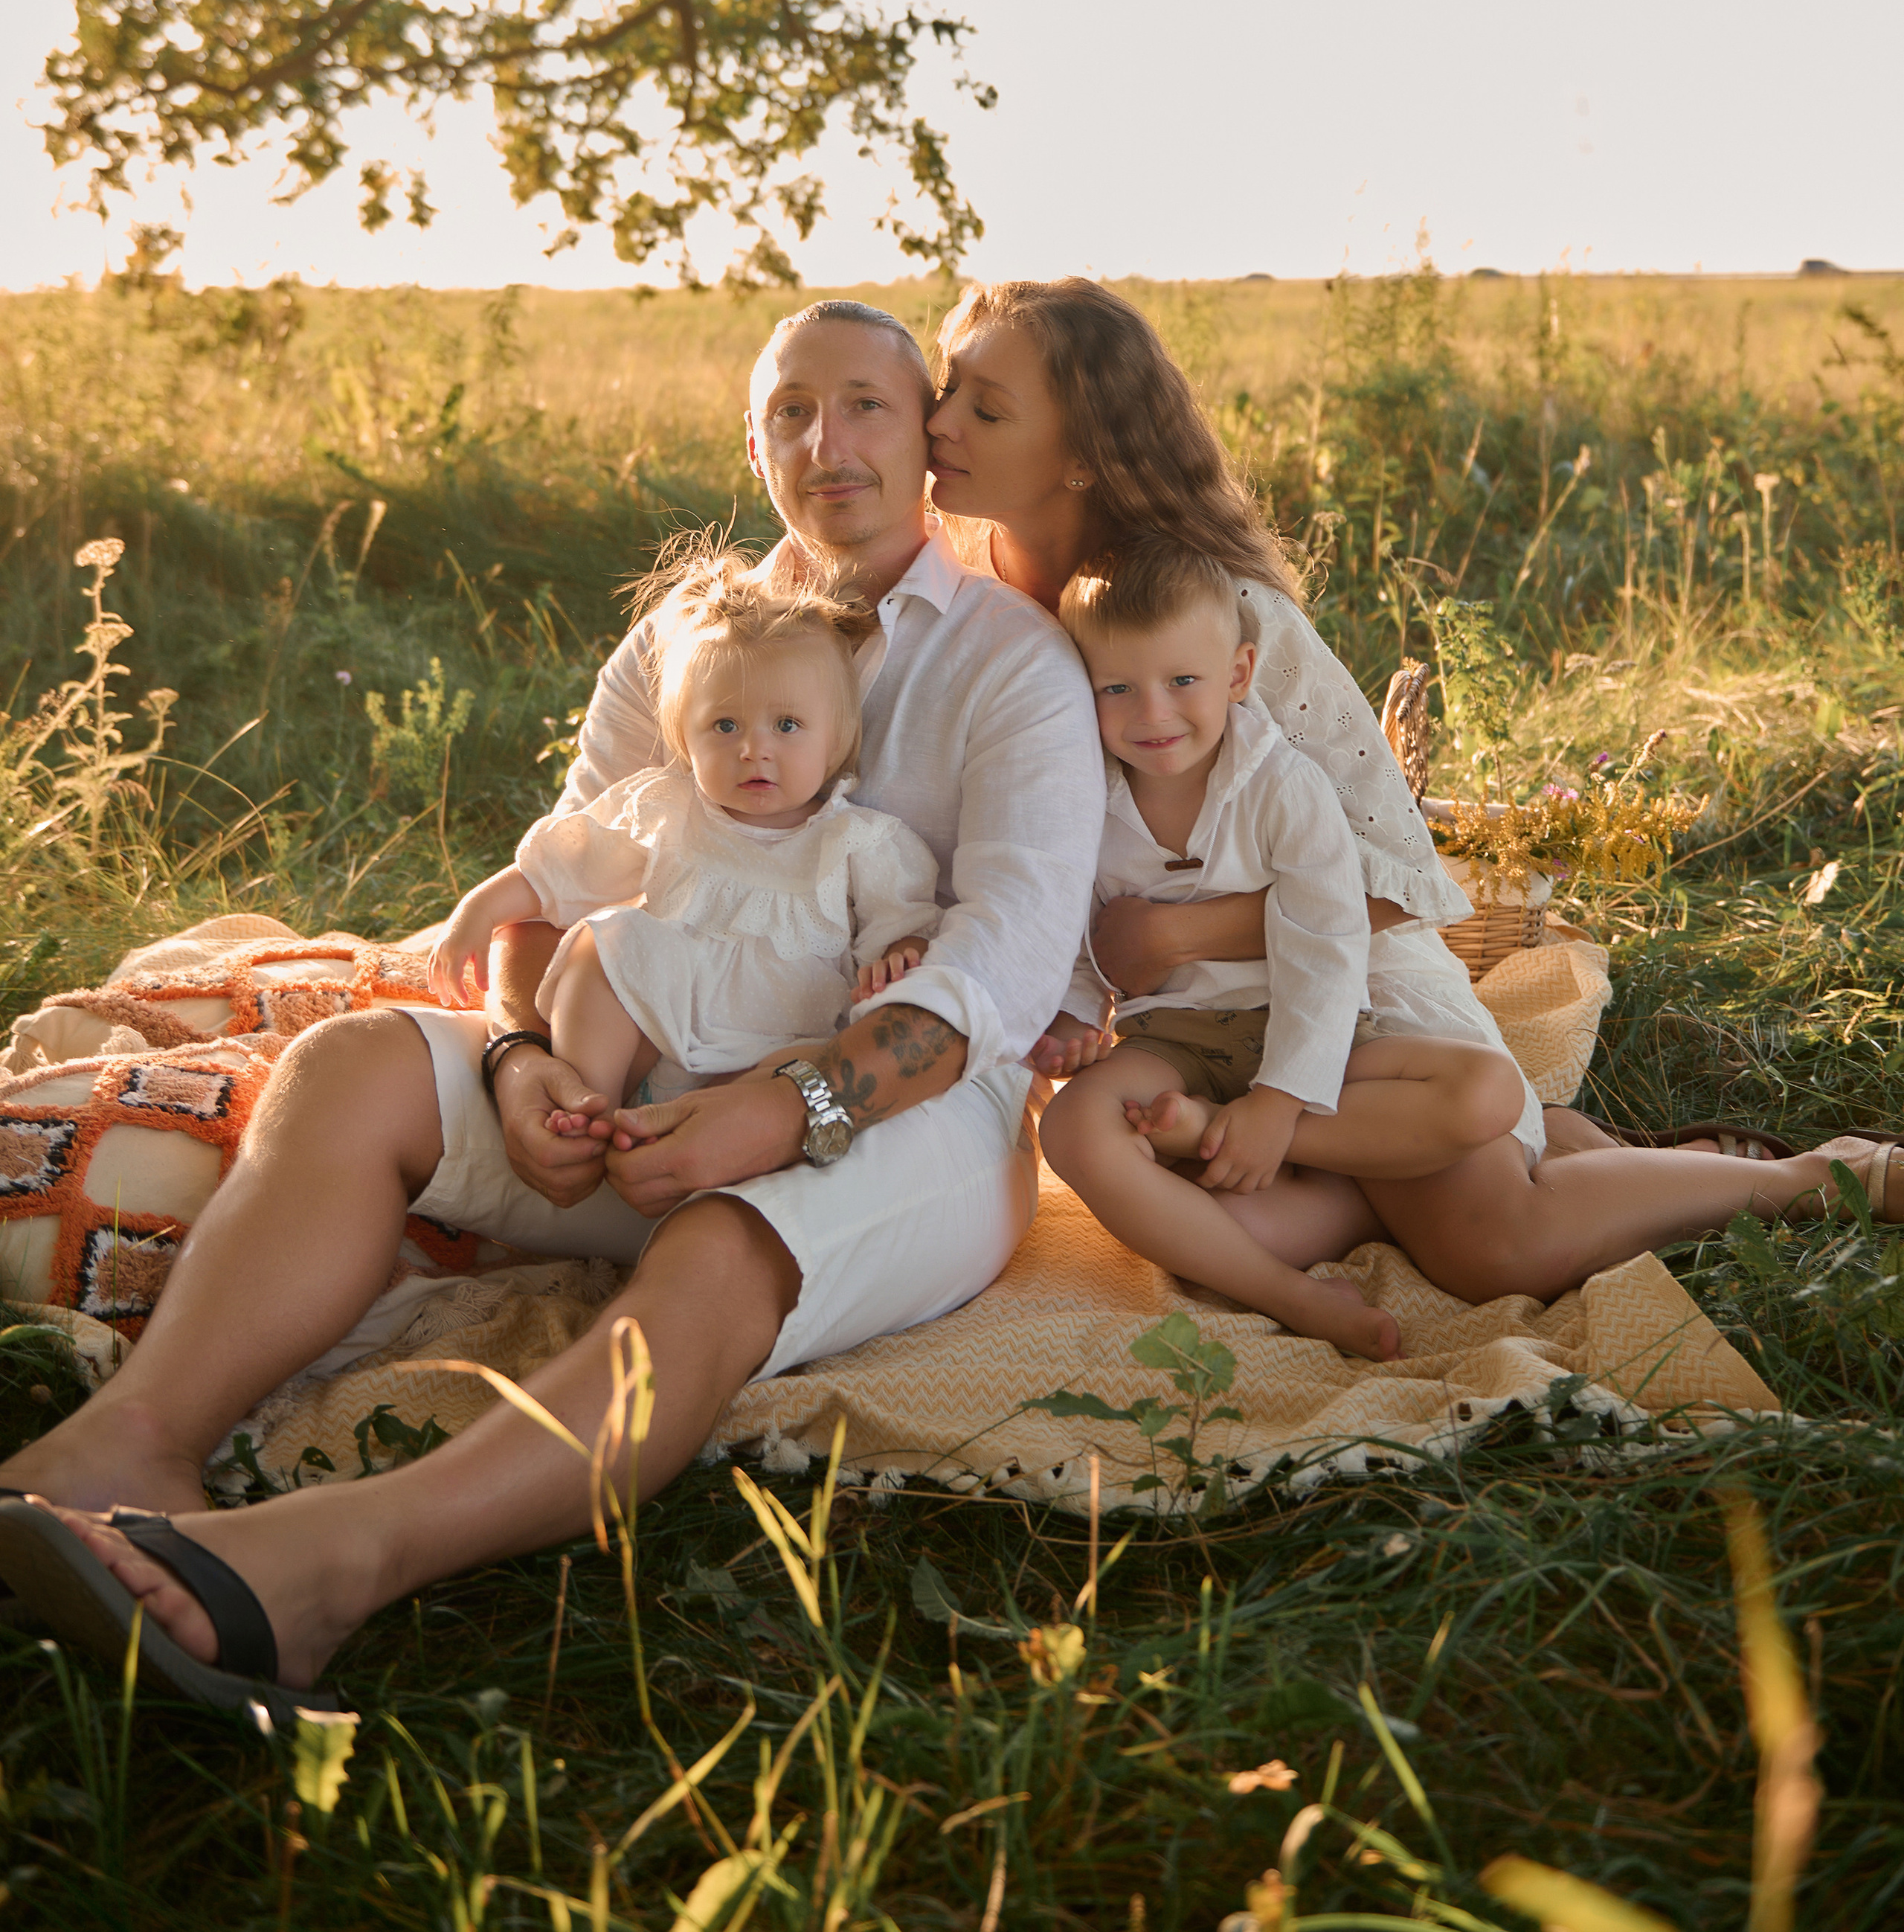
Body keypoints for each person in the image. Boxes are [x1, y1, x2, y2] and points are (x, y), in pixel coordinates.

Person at [0, 299, 1106, 1711]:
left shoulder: (1011, 660)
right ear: (754, 443)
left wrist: (783, 1112)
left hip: (902, 1118)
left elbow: (1004, 967)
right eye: (790, 411)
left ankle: (325, 1567)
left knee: (723, 1243)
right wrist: (523, 1058)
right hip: (635, 1073)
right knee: (349, 1062)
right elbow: (561, 878)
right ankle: (133, 1441)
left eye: (865, 406)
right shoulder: (684, 641)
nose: (827, 442)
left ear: (929, 437)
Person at [922, 276, 1904, 1303]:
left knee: (1494, 1252)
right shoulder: (968, 606)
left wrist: (1173, 934)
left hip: (1347, 995)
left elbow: (1399, 877)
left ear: (1083, 455)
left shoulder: (1222, 616)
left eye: (986, 408)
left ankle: (1806, 1176)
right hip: (1191, 1026)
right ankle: (1492, 1158)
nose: (940, 421)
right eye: (948, 388)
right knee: (1204, 1232)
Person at [1038, 536, 1527, 1361]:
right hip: (1175, 1039)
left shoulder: (1282, 786)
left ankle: (1225, 1136)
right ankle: (1294, 1295)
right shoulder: (1084, 793)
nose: (1151, 714)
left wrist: (1277, 1101)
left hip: (1302, 1025)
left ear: (1238, 674)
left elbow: (1327, 944)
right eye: (1116, 688)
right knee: (1073, 1129)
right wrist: (1075, 1015)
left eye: (1182, 681)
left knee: (1487, 1091)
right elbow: (1071, 928)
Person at [429, 553, 939, 1118]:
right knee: (605, 942)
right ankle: (586, 1105)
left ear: (836, 738)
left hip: (769, 1057)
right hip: (653, 1038)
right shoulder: (667, 810)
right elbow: (562, 869)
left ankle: (688, 1140)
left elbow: (905, 924)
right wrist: (479, 910)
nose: (754, 749)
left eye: (787, 725)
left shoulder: (857, 841)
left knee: (809, 1066)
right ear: (684, 738)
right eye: (725, 725)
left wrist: (899, 954)